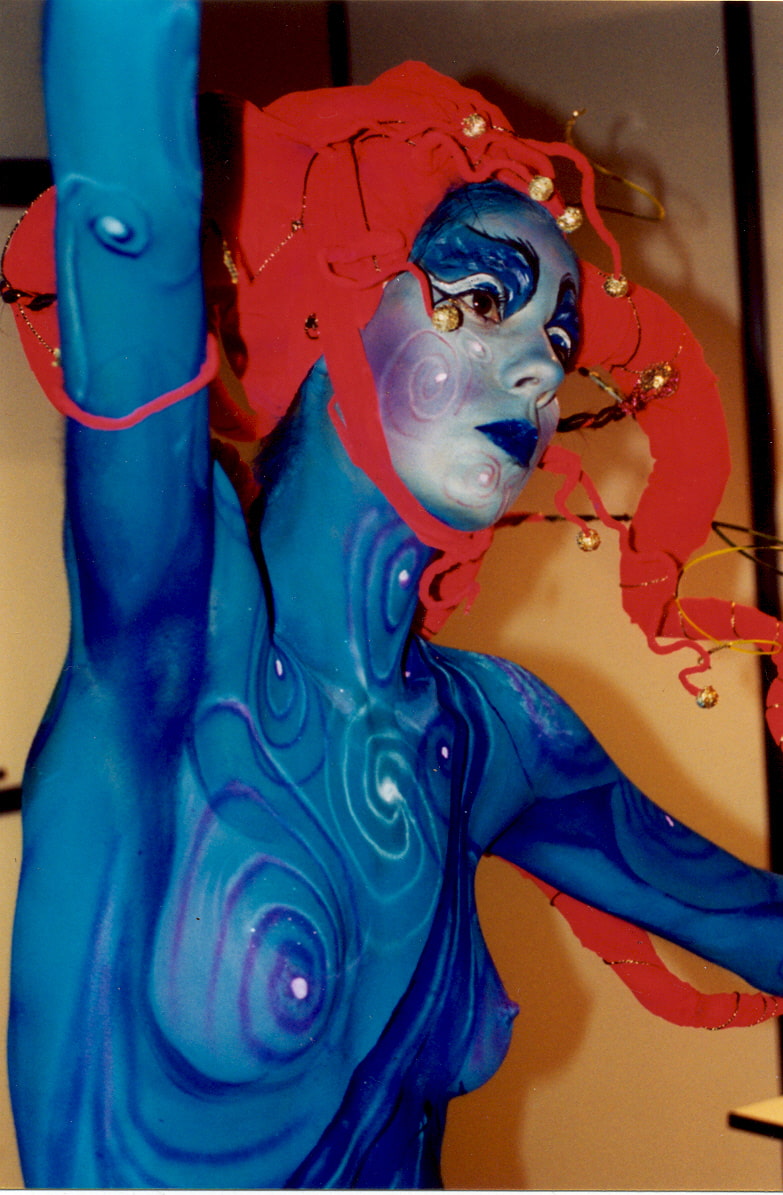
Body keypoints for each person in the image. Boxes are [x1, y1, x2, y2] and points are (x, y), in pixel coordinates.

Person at [5, 0, 783, 1188]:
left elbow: (755, 922)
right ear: (334, 296)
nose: (536, 372)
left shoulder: (494, 733)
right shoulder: (175, 632)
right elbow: (130, 213)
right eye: (482, 300)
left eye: (557, 343)